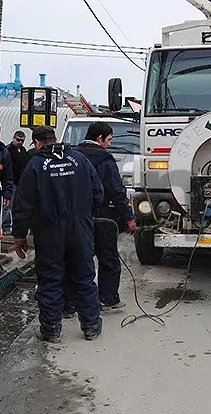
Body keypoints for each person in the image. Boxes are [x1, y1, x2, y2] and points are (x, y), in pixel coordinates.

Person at [11, 125, 104, 343]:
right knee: (84, 275)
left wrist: (19, 236)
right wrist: (85, 216)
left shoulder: (35, 165)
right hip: (79, 227)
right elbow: (98, 192)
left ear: (36, 143)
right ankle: (91, 326)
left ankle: (51, 330)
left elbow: (23, 205)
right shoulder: (80, 160)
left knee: (50, 278)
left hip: (49, 230)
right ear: (55, 138)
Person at [66, 121, 136, 313]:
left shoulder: (72, 156)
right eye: (109, 140)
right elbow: (116, 191)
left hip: (73, 217)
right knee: (108, 258)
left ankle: (70, 302)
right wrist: (128, 217)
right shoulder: (104, 159)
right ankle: (108, 298)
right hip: (101, 216)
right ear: (99, 138)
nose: (110, 144)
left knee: (77, 258)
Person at [2, 130, 28, 235]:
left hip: (20, 182)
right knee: (8, 205)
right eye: (18, 140)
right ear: (13, 138)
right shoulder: (8, 150)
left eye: (22, 141)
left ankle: (15, 227)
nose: (20, 142)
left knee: (18, 206)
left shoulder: (23, 150)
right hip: (11, 182)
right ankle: (6, 227)